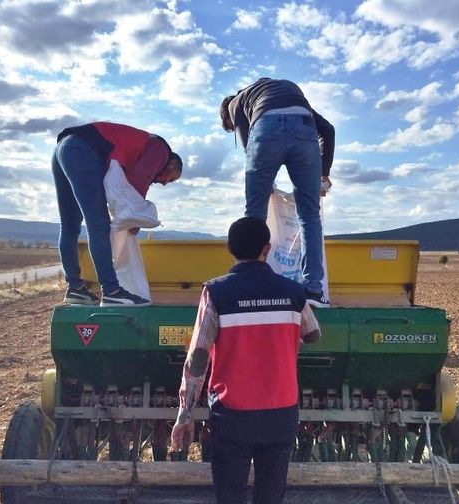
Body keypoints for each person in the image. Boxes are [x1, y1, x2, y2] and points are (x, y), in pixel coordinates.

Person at [170, 217, 321, 504]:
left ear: (229, 248)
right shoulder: (293, 292)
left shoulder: (217, 292)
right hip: (281, 415)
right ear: (267, 249)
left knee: (230, 495)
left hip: (233, 417)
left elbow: (198, 357)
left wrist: (185, 415)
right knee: (270, 496)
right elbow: (313, 334)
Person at [220, 78, 335, 307]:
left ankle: (250, 286)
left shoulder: (236, 103)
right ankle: (313, 291)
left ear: (226, 115)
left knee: (254, 215)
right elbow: (328, 130)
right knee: (309, 215)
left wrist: (266, 185)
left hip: (265, 130)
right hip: (304, 128)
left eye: (230, 127)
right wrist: (323, 175)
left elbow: (248, 146)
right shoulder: (284, 94)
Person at [53, 122, 183, 307]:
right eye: (170, 179)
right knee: (98, 223)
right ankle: (112, 291)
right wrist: (134, 216)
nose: (164, 183)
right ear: (172, 163)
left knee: (69, 226)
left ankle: (75, 288)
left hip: (63, 149)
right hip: (81, 150)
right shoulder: (161, 151)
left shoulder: (134, 153)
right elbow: (141, 176)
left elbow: (118, 189)